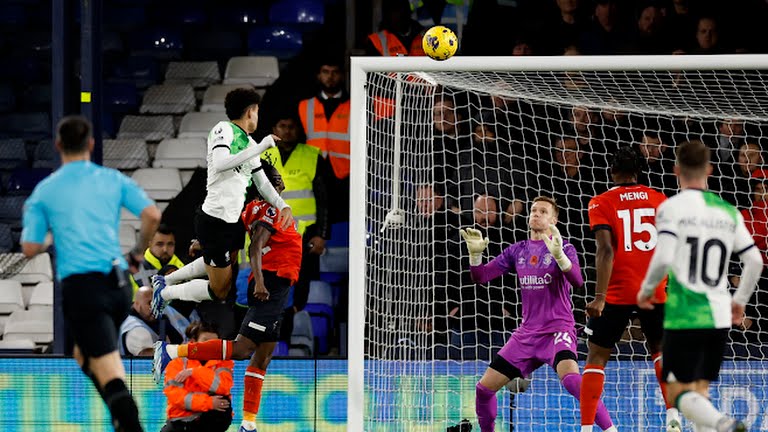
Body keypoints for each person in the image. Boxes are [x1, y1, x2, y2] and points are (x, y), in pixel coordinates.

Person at [21, 115, 161, 432]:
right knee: (83, 355)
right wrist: (138, 253)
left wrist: (51, 237)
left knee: (109, 370)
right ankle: (120, 414)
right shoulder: (111, 179)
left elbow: (29, 247)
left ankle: (127, 420)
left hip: (85, 290)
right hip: (119, 284)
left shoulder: (45, 190)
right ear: (91, 144)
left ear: (58, 145)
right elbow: (152, 215)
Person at [153, 161, 302, 432]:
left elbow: (233, 240)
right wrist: (260, 282)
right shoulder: (269, 208)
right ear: (268, 185)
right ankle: (172, 351)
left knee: (263, 356)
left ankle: (248, 423)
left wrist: (203, 243)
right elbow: (255, 247)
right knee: (243, 349)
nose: (281, 182)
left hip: (279, 286)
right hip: (270, 283)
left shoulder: (251, 210)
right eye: (276, 178)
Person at [461, 196, 617, 432]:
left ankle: (611, 430)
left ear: (554, 220)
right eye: (534, 210)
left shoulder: (565, 248)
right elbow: (481, 276)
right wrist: (475, 256)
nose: (536, 214)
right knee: (483, 389)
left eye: (543, 211)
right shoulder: (517, 250)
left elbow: (577, 281)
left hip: (557, 330)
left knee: (572, 381)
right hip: (526, 335)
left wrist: (560, 257)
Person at [637, 140, 762, 432]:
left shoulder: (671, 208)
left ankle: (723, 423)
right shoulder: (727, 210)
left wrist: (646, 290)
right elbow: (755, 260)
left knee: (677, 392)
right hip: (718, 313)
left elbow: (663, 257)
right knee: (699, 392)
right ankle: (718, 423)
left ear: (676, 170)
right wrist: (739, 301)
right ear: (709, 169)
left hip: (685, 313)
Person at [150, 88, 294, 317]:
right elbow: (220, 163)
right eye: (257, 111)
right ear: (250, 111)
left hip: (234, 220)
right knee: (219, 290)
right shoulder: (223, 129)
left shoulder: (249, 143)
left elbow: (262, 183)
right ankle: (166, 292)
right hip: (215, 220)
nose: (257, 116)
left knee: (223, 275)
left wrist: (282, 205)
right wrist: (261, 146)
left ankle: (166, 280)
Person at [579, 147, 677, 432]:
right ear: (639, 172)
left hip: (618, 291)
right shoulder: (660, 199)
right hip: (654, 289)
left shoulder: (601, 201)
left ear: (612, 171)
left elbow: (605, 250)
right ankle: (673, 418)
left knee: (597, 356)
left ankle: (586, 428)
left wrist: (600, 297)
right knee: (660, 351)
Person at [298, 59, 350, 222]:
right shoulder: (304, 105)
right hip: (314, 171)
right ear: (319, 76)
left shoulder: (355, 104)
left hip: (346, 174)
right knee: (317, 218)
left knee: (344, 221)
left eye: (335, 72)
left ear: (342, 76)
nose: (330, 77)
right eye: (326, 72)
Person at [161, 321, 234, 432]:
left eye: (214, 342)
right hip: (181, 421)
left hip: (211, 421)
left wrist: (195, 372)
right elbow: (175, 396)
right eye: (205, 341)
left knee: (224, 403)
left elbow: (223, 387)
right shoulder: (177, 361)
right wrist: (208, 403)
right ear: (193, 342)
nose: (210, 346)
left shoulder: (224, 361)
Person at [119, 286, 188, 357]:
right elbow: (146, 356)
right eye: (149, 303)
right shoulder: (135, 328)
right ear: (137, 305)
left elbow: (180, 339)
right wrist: (178, 351)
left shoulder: (160, 317)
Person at [130, 224, 185, 294]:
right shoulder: (134, 268)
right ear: (149, 243)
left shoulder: (184, 267)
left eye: (170, 244)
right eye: (160, 244)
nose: (165, 249)